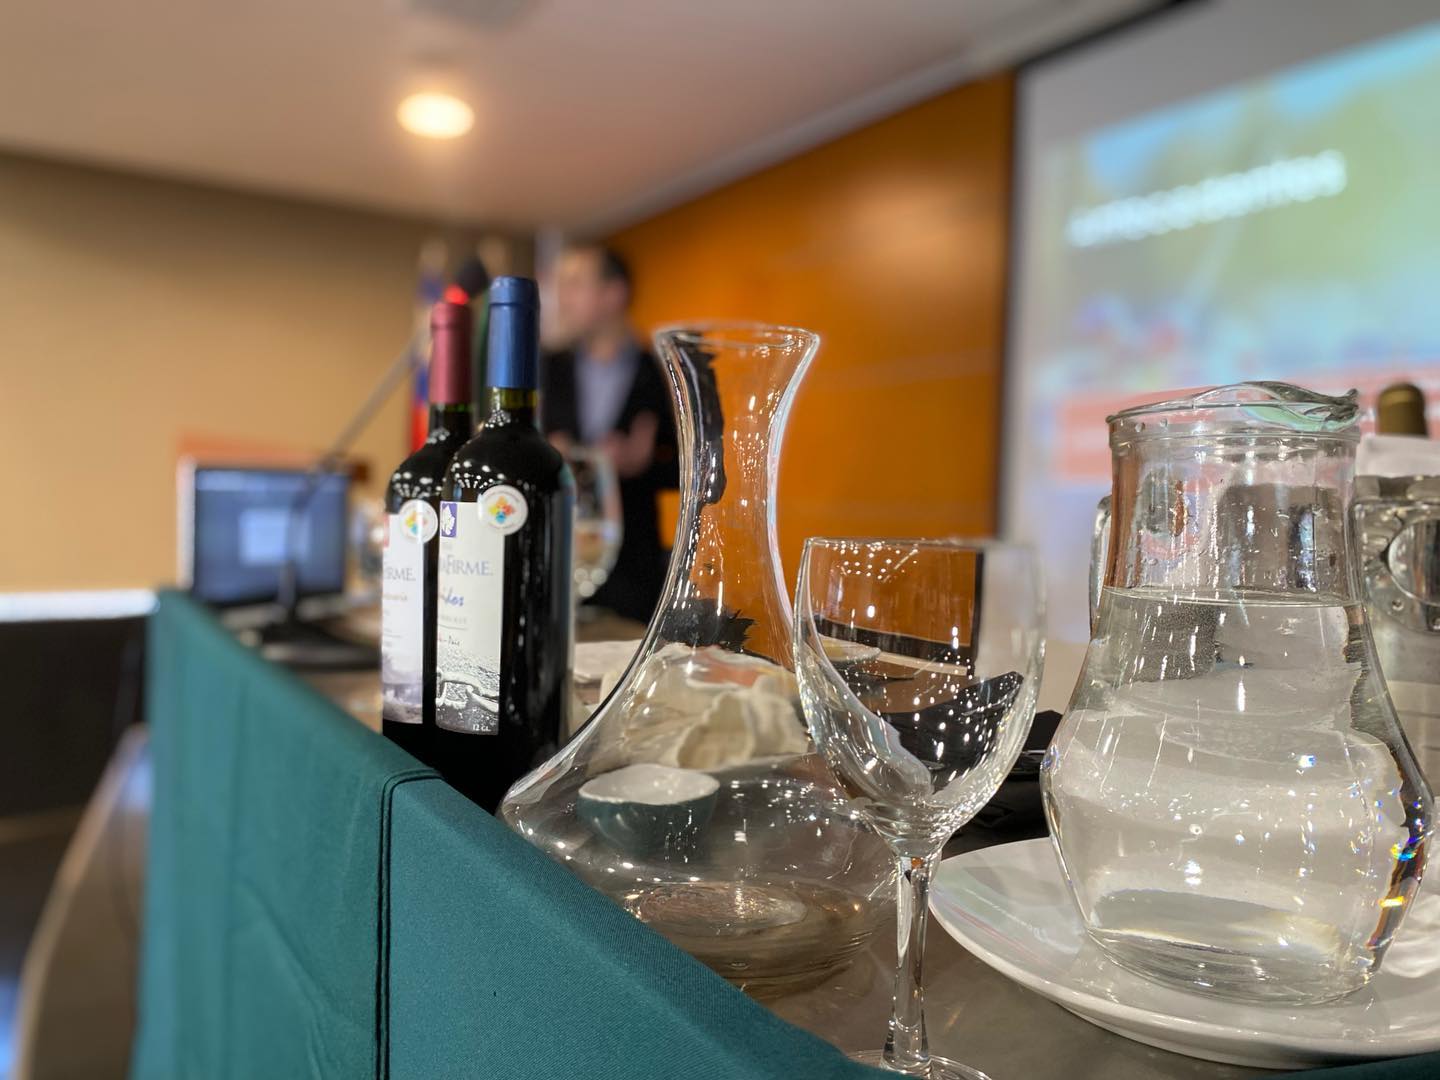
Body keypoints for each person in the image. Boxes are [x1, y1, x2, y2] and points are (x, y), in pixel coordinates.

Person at [542, 243, 677, 622]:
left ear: (613, 294)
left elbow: (702, 472)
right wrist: (545, 454)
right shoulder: (546, 367)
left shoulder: (666, 372)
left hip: (632, 572)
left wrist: (643, 463)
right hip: (555, 561)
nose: (562, 298)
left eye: (574, 284)